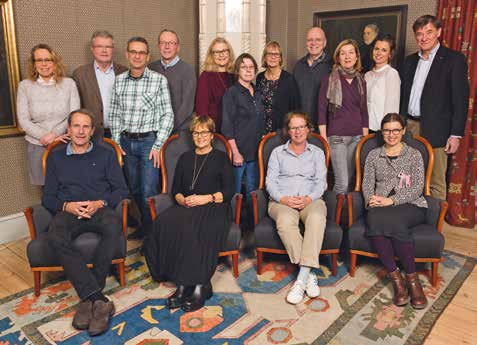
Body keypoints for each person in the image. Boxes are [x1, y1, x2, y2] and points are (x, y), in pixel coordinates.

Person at [43, 109, 129, 336]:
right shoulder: (56, 156)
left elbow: (121, 189)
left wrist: (100, 202)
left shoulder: (106, 154)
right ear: (69, 129)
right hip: (69, 210)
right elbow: (48, 197)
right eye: (76, 126)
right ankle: (98, 300)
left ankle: (89, 297)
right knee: (55, 235)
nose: (80, 131)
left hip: (98, 208)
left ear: (92, 131)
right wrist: (66, 206)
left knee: (113, 226)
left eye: (85, 127)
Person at [145, 115, 234, 312]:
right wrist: (182, 200)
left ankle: (200, 286)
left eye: (204, 132)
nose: (200, 136)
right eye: (196, 132)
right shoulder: (185, 158)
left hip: (214, 206)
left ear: (212, 136)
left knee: (193, 227)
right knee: (162, 222)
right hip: (187, 206)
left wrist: (206, 198)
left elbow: (229, 191)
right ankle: (182, 283)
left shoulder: (220, 158)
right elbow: (176, 189)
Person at [109, 36, 174, 239]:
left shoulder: (158, 80)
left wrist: (158, 145)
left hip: (149, 143)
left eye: (141, 52)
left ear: (147, 56)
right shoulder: (118, 81)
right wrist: (117, 143)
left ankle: (153, 234)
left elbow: (167, 114)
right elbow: (114, 114)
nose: (137, 56)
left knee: (148, 193)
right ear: (128, 55)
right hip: (127, 143)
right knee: (134, 188)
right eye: (133, 52)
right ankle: (146, 226)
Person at [362, 113, 428, 309]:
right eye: (387, 130)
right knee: (374, 220)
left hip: (411, 204)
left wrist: (390, 200)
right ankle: (397, 281)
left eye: (396, 130)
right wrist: (371, 200)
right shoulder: (374, 155)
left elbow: (417, 188)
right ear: (382, 132)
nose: (391, 135)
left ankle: (413, 281)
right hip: (379, 204)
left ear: (403, 131)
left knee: (395, 222)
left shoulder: (414, 154)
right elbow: (367, 183)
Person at [400, 15, 469, 200]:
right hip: (410, 127)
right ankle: (412, 217)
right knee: (408, 176)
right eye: (419, 34)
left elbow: (461, 100)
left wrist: (455, 134)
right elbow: (403, 96)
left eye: (429, 32)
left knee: (436, 181)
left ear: (438, 32)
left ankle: (433, 225)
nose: (424, 38)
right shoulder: (409, 61)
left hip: (437, 129)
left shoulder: (454, 60)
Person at [266, 112, 327, 304]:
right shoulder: (277, 153)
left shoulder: (317, 153)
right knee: (285, 222)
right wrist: (283, 199)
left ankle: (301, 279)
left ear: (308, 129)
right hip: (282, 200)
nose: (298, 131)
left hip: (311, 199)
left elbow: (321, 183)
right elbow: (270, 182)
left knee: (317, 218)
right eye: (294, 127)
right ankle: (309, 275)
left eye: (302, 127)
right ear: (288, 130)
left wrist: (308, 199)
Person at [17, 44, 80, 185]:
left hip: (65, 142)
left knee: (71, 185)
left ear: (55, 62)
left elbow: (74, 115)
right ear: (33, 64)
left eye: (48, 59)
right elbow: (23, 120)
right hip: (37, 144)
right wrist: (44, 137)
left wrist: (54, 135)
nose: (44, 64)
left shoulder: (69, 84)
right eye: (39, 60)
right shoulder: (25, 86)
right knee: (47, 190)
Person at [318, 39, 369, 194]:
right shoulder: (330, 79)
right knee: (342, 183)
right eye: (343, 53)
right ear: (338, 57)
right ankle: (331, 217)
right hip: (336, 138)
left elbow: (363, 111)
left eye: (351, 52)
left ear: (356, 57)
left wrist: (364, 139)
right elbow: (321, 110)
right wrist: (324, 139)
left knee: (350, 181)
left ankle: (343, 216)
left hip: (357, 138)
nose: (347, 57)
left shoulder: (361, 80)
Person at [222, 53, 265, 203]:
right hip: (239, 152)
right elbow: (227, 126)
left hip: (255, 152)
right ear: (237, 71)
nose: (248, 70)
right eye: (244, 67)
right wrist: (235, 152)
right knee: (235, 193)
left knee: (253, 192)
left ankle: (251, 225)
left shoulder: (258, 92)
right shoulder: (231, 93)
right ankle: (234, 224)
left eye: (251, 67)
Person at [72, 30, 127, 138]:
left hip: (122, 133)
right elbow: (77, 107)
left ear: (113, 49)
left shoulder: (124, 72)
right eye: (99, 46)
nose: (104, 50)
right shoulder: (80, 74)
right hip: (92, 134)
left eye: (108, 47)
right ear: (92, 49)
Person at [149, 29, 196, 132]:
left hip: (179, 131)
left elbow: (187, 107)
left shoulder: (188, 70)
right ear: (158, 46)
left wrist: (167, 127)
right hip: (153, 130)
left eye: (171, 43)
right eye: (163, 43)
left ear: (177, 47)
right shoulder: (150, 69)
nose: (166, 46)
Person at [256, 41, 300, 133]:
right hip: (261, 129)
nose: (273, 57)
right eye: (269, 54)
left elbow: (295, 108)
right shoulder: (259, 78)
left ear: (280, 58)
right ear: (265, 57)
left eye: (276, 54)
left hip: (281, 130)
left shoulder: (289, 79)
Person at [293, 27, 332, 128]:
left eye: (318, 40)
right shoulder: (298, 65)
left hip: (324, 126)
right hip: (301, 126)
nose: (313, 43)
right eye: (310, 40)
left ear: (325, 43)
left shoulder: (333, 66)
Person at [195, 37, 235, 131]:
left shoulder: (235, 75)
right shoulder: (206, 77)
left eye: (224, 50)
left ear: (229, 52)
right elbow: (202, 110)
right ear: (211, 55)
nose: (221, 55)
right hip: (215, 130)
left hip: (234, 129)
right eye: (216, 52)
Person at [365, 34, 400, 132]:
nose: (379, 53)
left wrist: (387, 131)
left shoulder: (392, 74)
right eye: (376, 49)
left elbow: (392, 108)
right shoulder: (367, 75)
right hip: (364, 128)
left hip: (381, 130)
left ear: (390, 54)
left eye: (384, 50)